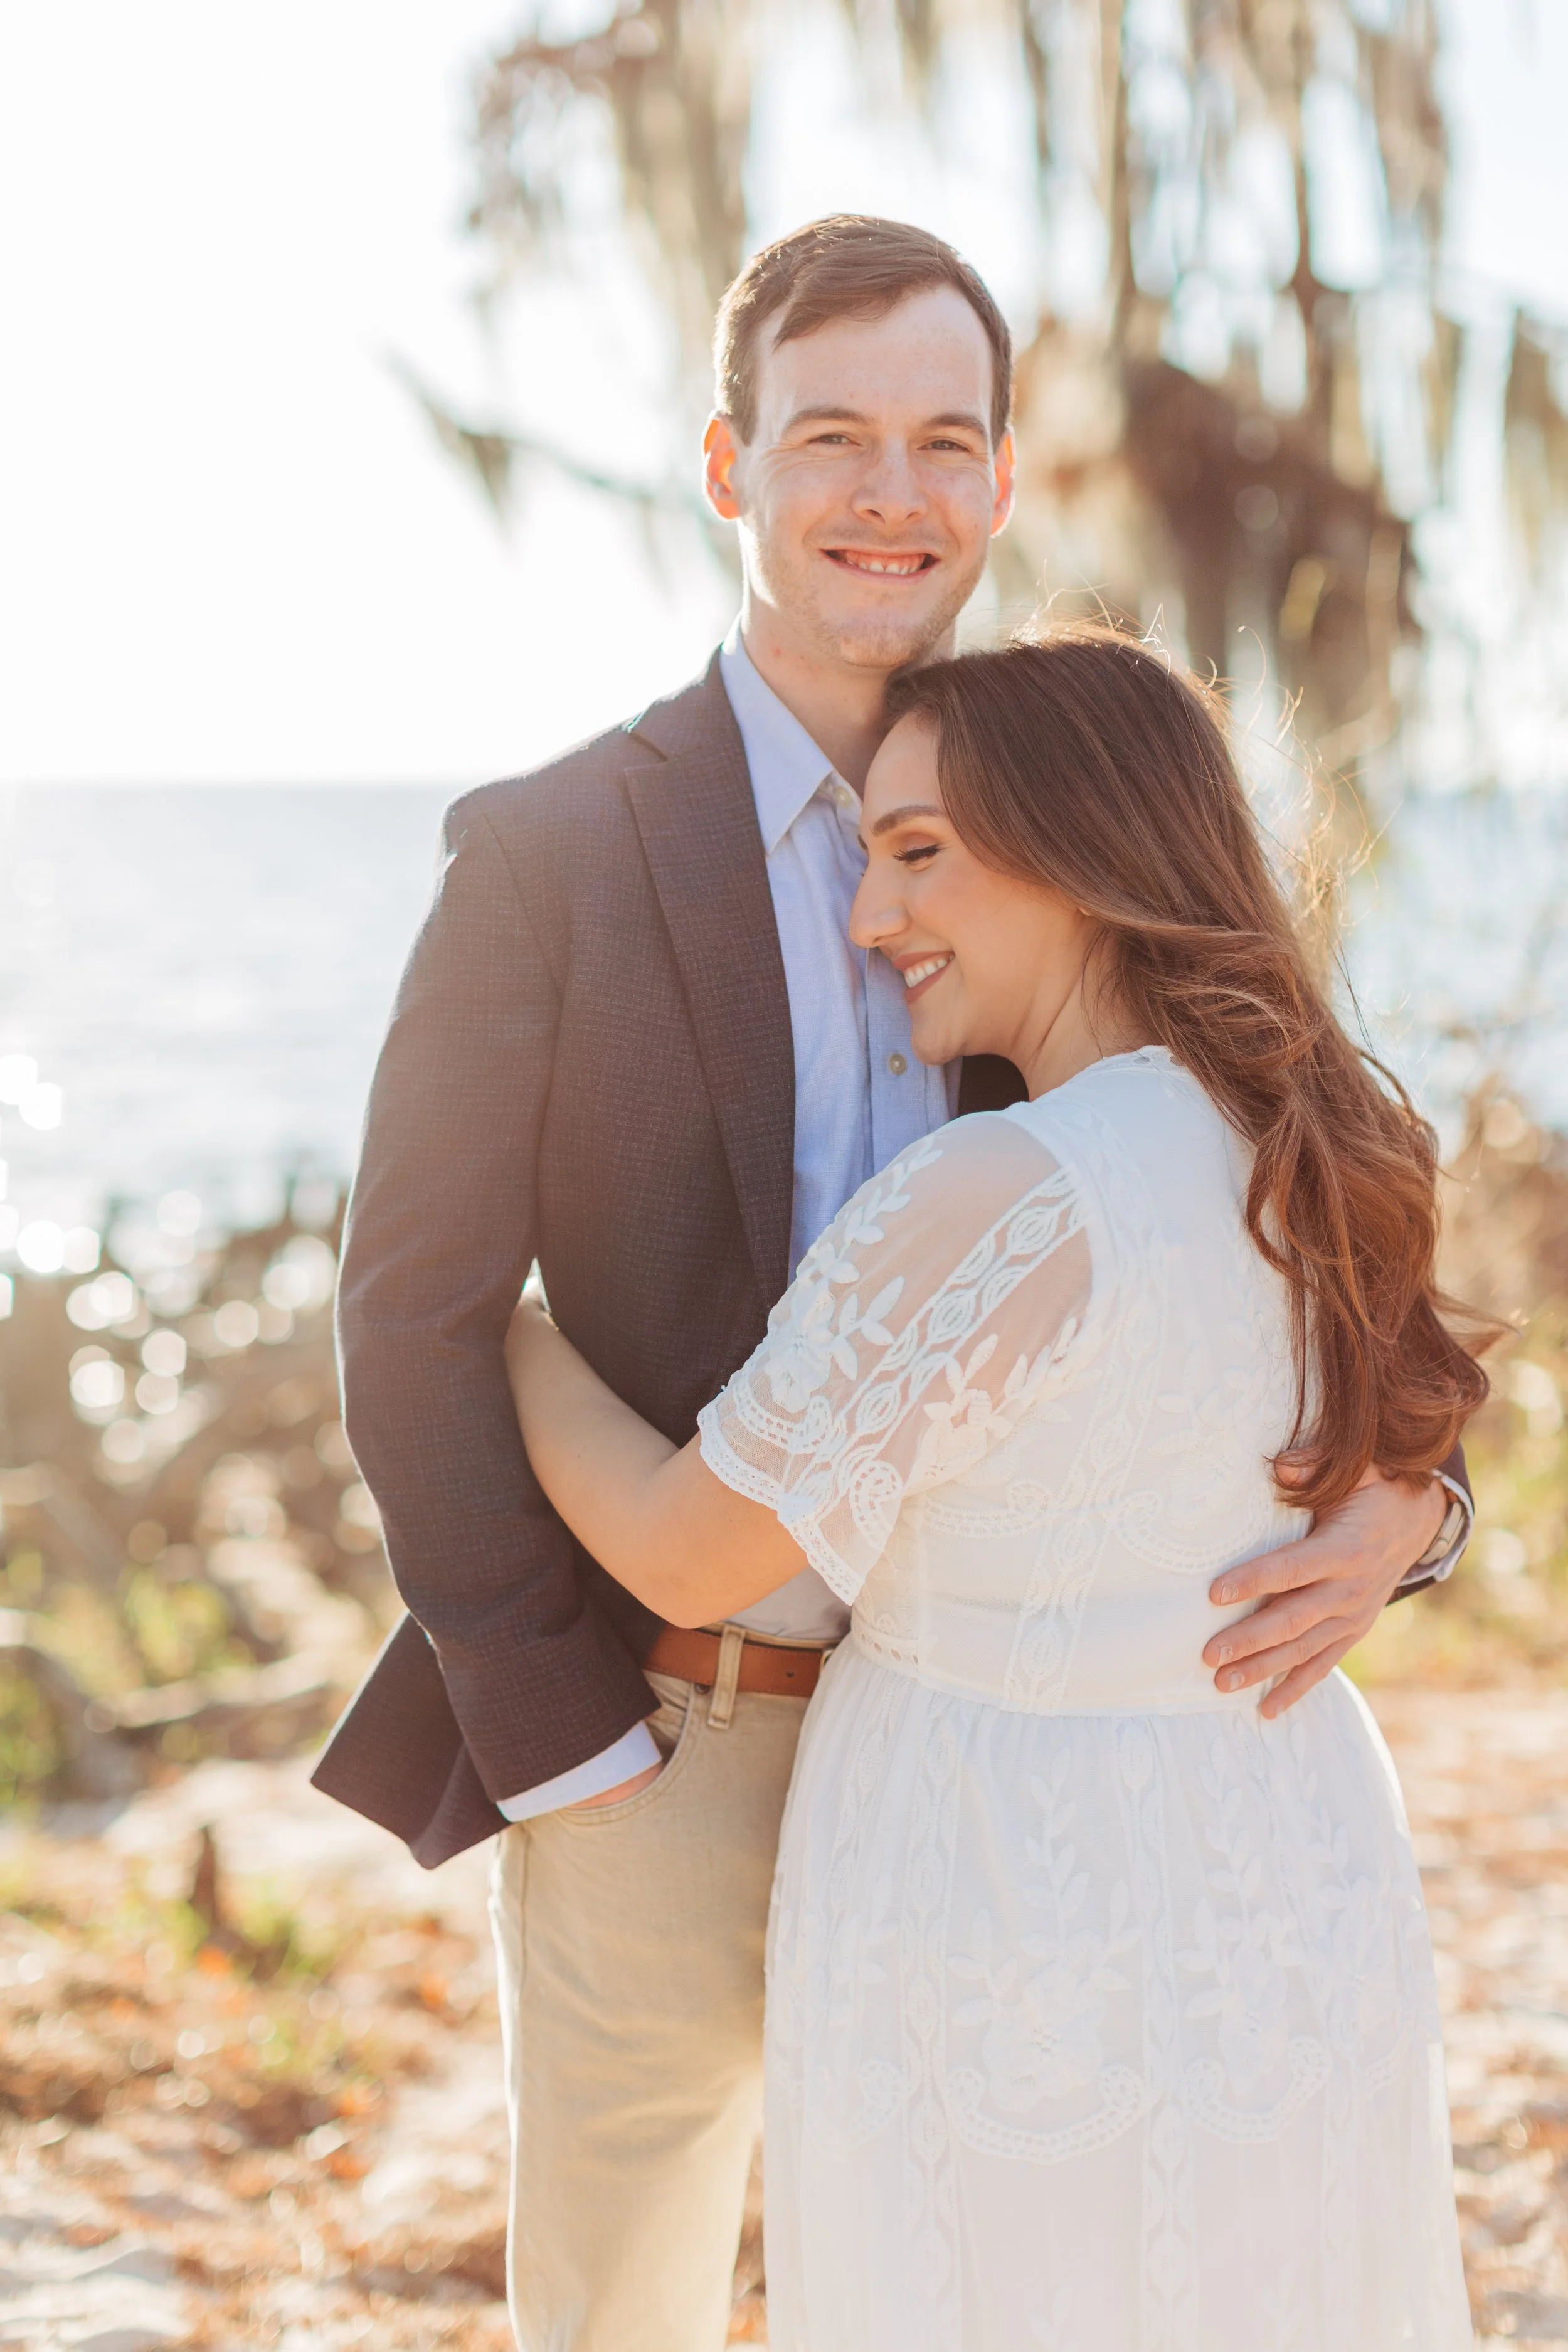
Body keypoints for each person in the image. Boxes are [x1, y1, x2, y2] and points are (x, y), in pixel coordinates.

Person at [311, 216, 1473, 2351]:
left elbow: (1305, 1191)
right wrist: (564, 1746)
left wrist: (1411, 1500)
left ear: (1008, 483)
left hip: (1039, 1783)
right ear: (727, 464)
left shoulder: (1072, 796)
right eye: (830, 434)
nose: (889, 491)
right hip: (677, 1726)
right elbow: (407, 1307)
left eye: (944, 439)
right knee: (629, 2316)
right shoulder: (552, 856)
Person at [503, 623, 1486, 2350]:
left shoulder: (999, 1191)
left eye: (917, 853)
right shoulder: (1316, 1142)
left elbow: (688, 1543)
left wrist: (502, 1333)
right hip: (1279, 1869)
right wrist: (1418, 1503)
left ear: (1085, 851)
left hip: (1009, 1895)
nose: (871, 917)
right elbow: (1400, 1428)